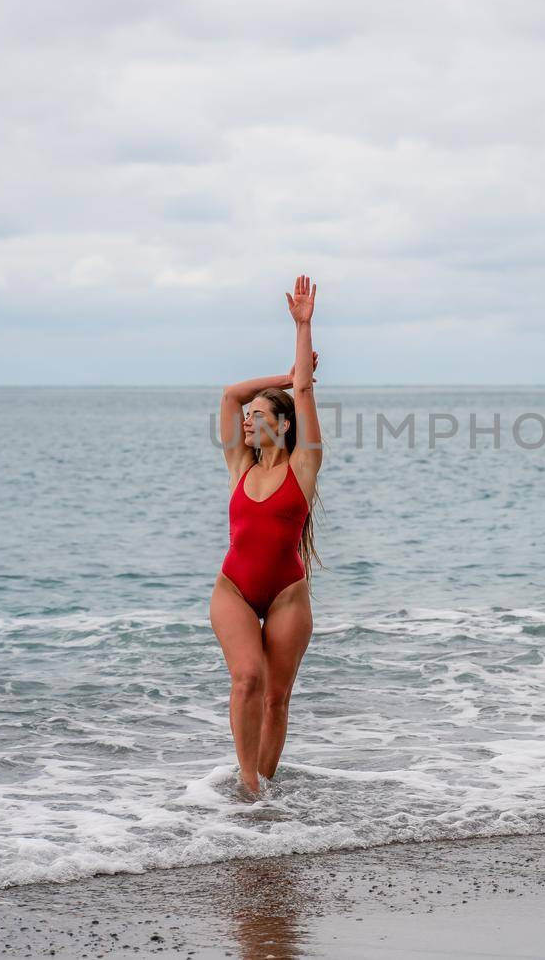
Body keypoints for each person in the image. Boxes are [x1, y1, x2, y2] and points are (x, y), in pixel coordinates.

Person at [211, 274, 323, 797]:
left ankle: (265, 788)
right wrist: (282, 373)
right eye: (249, 418)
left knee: (277, 698)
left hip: (286, 595)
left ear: (282, 424)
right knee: (247, 680)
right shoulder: (239, 464)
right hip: (234, 588)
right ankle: (248, 783)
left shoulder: (304, 466)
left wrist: (303, 327)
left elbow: (301, 392)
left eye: (259, 416)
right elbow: (231, 393)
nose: (249, 421)